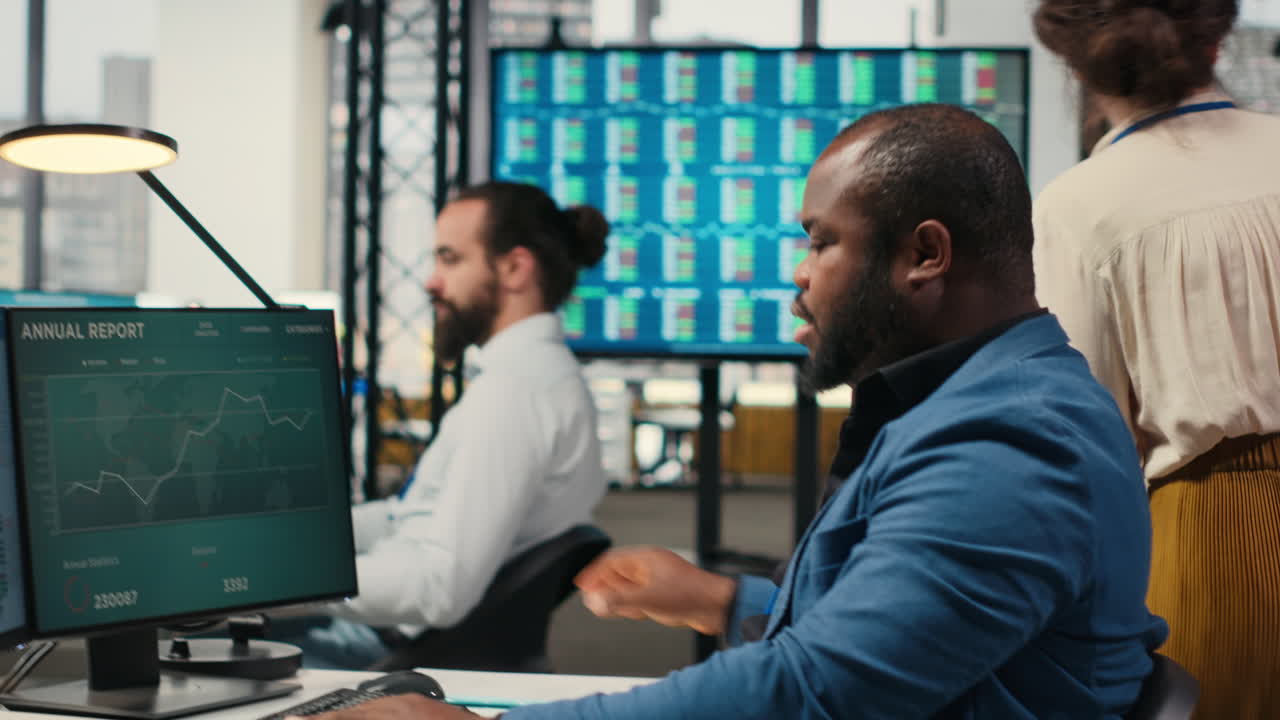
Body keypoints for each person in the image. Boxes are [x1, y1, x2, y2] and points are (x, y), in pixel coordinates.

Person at [306, 104, 1167, 718]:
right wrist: (725, 602)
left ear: (925, 254)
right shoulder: (982, 400)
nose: (798, 274)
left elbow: (821, 691)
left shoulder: (1008, 445)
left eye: (821, 241)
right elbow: (904, 634)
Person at [1030, 2, 1280, 716]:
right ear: (1219, 35)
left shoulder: (1078, 204)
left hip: (1218, 539)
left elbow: (1097, 443)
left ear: (1073, 61)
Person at [283, 181, 612, 668]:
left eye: (450, 259)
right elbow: (409, 517)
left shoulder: (515, 396)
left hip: (392, 651)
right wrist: (300, 534)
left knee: (180, 660)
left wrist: (276, 578)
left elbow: (440, 589)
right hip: (396, 633)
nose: (432, 282)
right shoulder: (531, 379)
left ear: (515, 268)